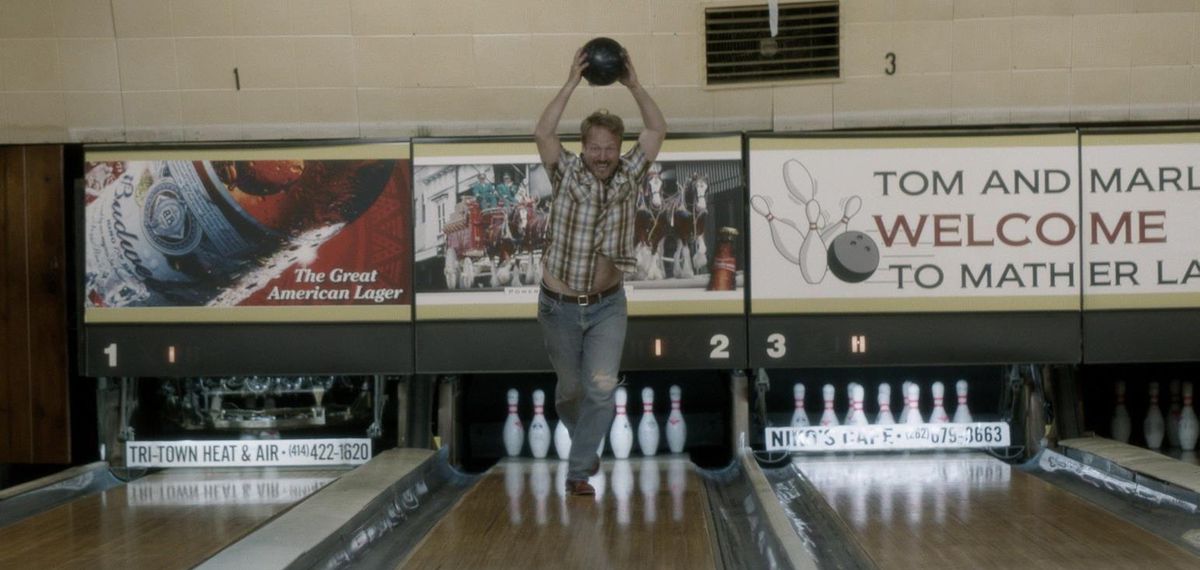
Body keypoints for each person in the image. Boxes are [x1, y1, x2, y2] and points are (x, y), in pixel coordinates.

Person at [533, 46, 666, 496]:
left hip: (609, 306)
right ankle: (587, 433)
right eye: (595, 148)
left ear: (618, 149)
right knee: (573, 392)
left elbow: (655, 128)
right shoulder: (565, 173)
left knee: (602, 389)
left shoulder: (631, 174)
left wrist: (633, 83)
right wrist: (572, 80)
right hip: (559, 307)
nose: (603, 155)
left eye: (610, 148)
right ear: (585, 148)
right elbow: (544, 131)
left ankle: (579, 470)